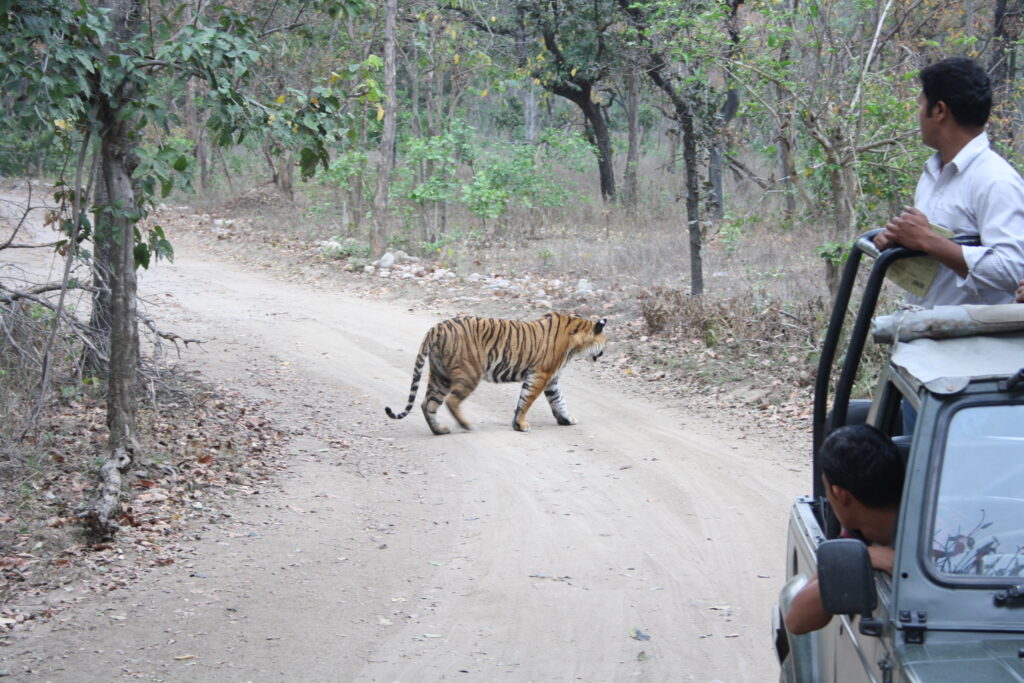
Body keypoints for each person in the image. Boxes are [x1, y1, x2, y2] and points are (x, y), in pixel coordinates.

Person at [874, 57, 1024, 308]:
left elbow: (1012, 270)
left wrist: (928, 241)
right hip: (928, 330)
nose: (918, 115)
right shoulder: (932, 173)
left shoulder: (995, 180)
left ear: (940, 110)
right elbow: (935, 254)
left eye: (921, 105)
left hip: (972, 342)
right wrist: (900, 243)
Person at [785, 424, 904, 635]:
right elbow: (796, 620)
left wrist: (901, 566)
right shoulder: (860, 538)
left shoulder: (933, 535)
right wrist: (864, 558)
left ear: (839, 494)